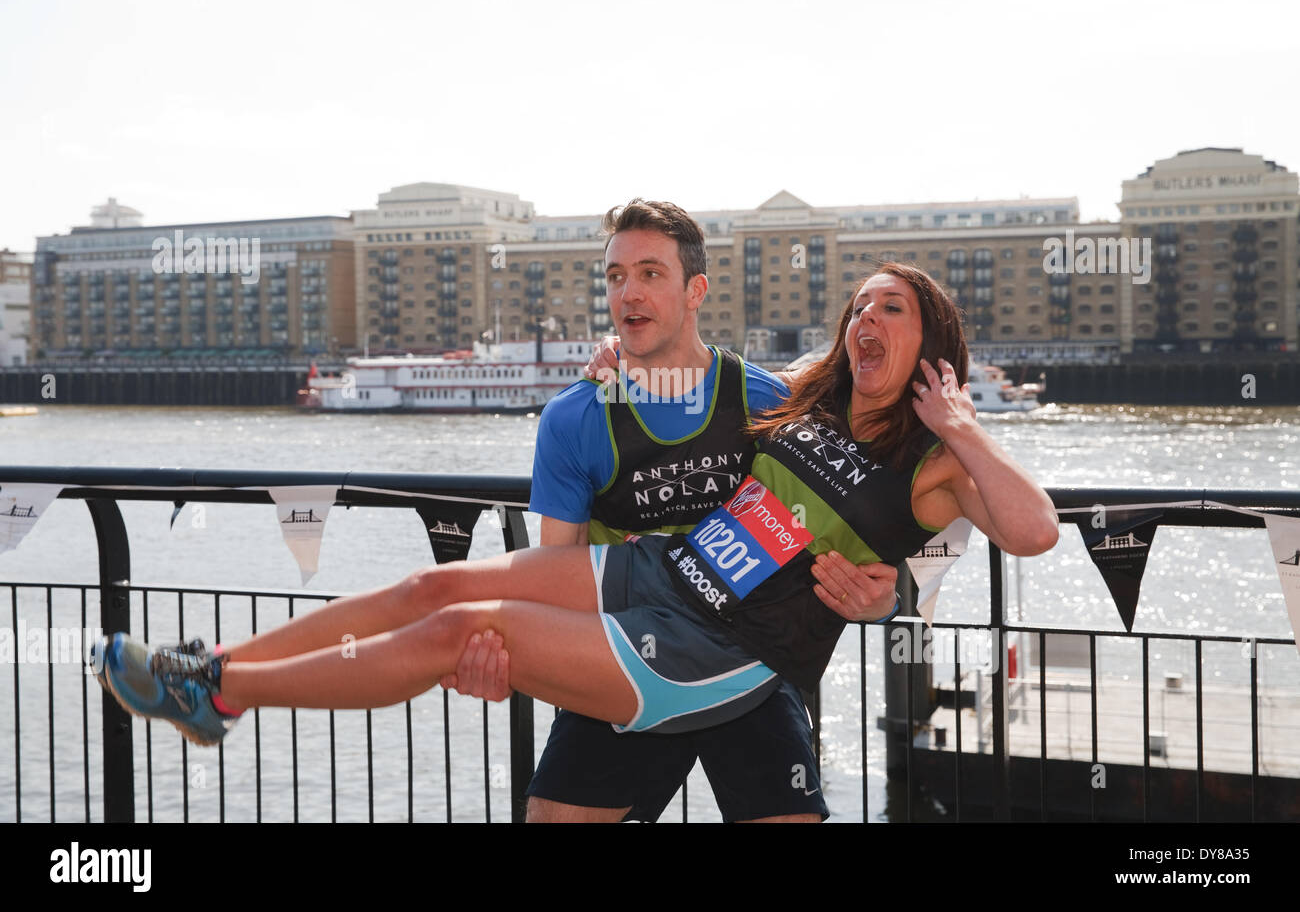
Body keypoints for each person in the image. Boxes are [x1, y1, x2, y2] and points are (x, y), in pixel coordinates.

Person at [92, 262, 1059, 813]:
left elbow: (1038, 531)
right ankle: (206, 660)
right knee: (442, 591)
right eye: (857, 308)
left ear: (929, 337)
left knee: (454, 641)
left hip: (719, 648)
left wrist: (967, 428)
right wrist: (629, 356)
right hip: (658, 572)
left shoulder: (933, 463)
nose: (865, 321)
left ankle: (218, 695)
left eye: (890, 308)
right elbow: (698, 371)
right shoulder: (807, 394)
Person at [440, 199, 898, 823]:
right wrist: (506, 653)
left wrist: (883, 603)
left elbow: (867, 515)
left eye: (651, 273)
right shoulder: (577, 416)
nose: (629, 292)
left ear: (695, 290)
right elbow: (555, 573)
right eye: (616, 276)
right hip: (624, 658)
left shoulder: (771, 402)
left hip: (750, 667)